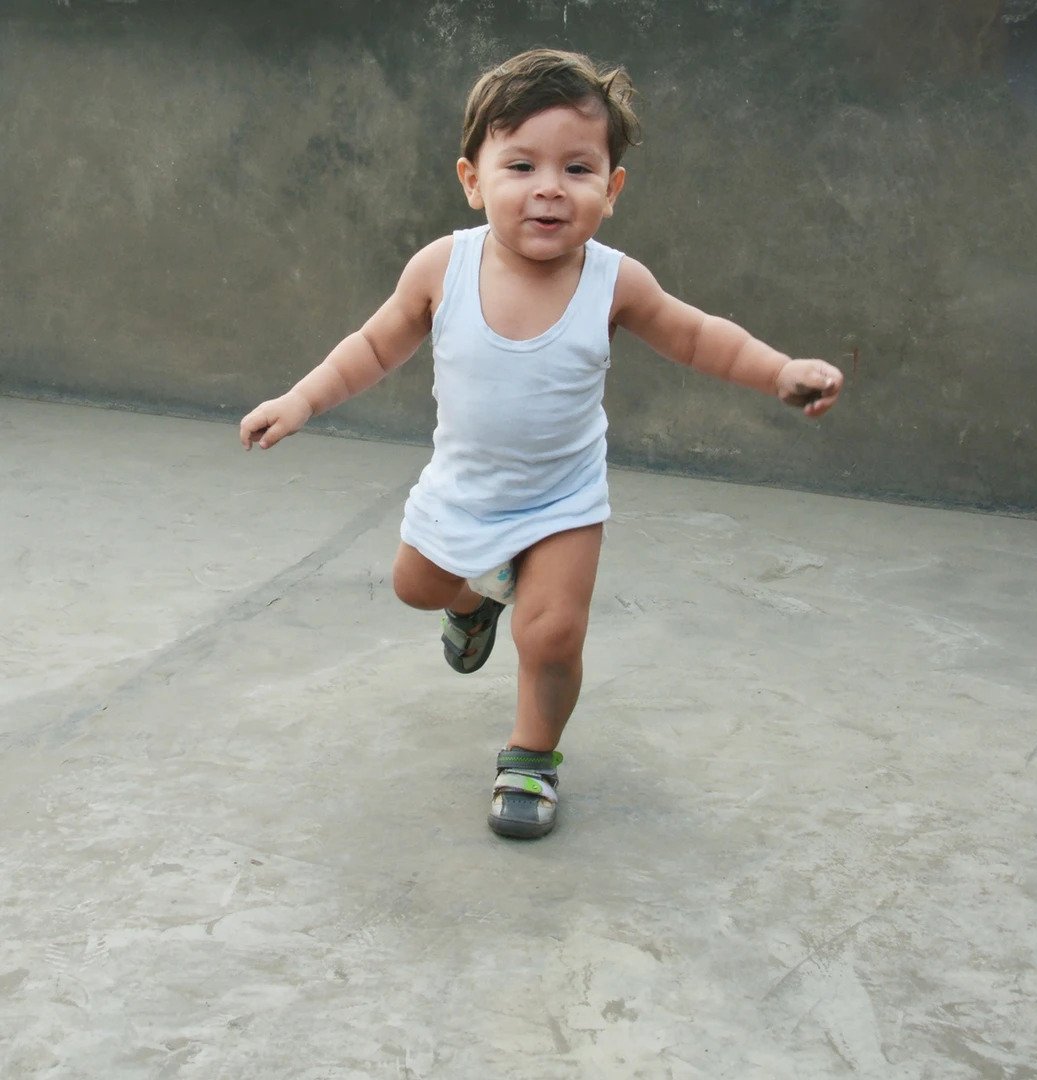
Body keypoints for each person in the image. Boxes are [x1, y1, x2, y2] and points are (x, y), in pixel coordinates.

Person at [239, 48, 843, 840]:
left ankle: (531, 758)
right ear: (472, 178)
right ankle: (472, 601)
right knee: (416, 586)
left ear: (611, 189)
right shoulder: (442, 267)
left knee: (552, 635)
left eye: (578, 168)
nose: (549, 187)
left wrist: (779, 371)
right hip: (465, 487)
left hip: (563, 499)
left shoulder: (614, 281)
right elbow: (373, 345)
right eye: (520, 164)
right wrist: (301, 398)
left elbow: (701, 337)